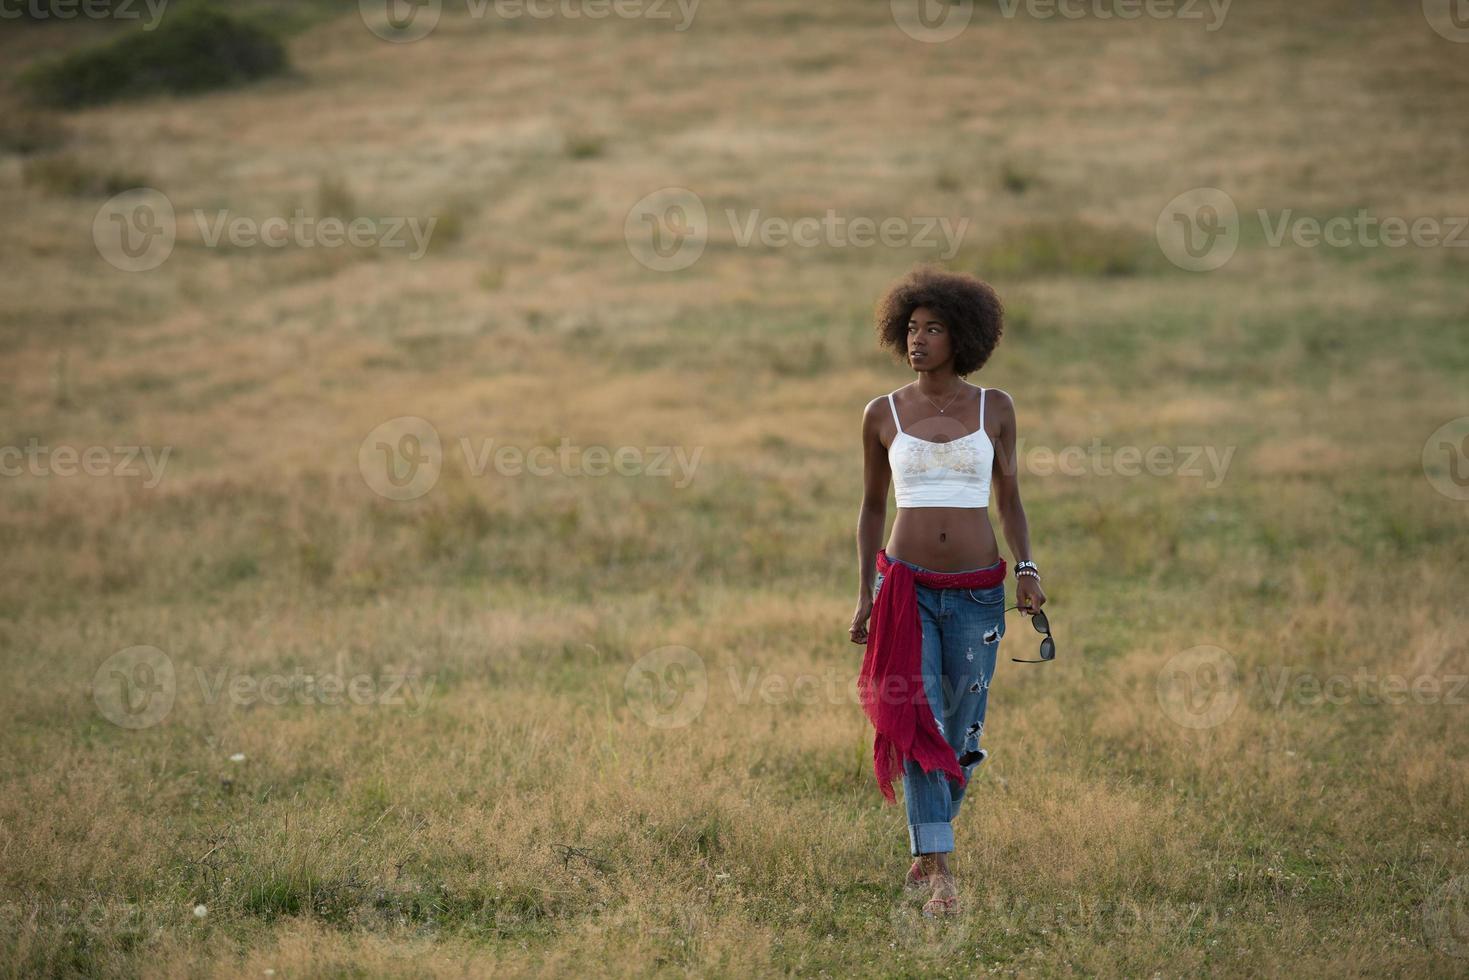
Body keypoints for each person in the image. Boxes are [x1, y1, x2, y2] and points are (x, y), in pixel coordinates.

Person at [849, 265, 1046, 917]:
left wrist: (1026, 566)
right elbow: (871, 508)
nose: (918, 340)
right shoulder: (882, 413)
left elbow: (1009, 499)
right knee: (919, 720)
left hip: (975, 592)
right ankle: (937, 870)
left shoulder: (996, 408)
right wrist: (865, 595)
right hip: (904, 589)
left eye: (932, 329)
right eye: (910, 328)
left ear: (960, 336)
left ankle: (927, 849)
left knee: (960, 733)